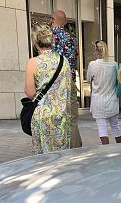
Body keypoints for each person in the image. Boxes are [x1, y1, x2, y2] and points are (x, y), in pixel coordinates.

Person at [25, 24, 73, 154]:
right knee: (61, 156)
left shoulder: (33, 63)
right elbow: (69, 89)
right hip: (62, 115)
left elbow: (30, 93)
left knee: (43, 159)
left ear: (35, 41)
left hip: (43, 116)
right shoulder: (64, 61)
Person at [50, 9, 82, 148]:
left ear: (52, 20)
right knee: (72, 118)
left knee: (55, 118)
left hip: (54, 85)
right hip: (70, 83)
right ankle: (75, 147)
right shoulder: (72, 39)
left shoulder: (49, 37)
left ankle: (58, 147)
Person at [87, 41, 121, 145]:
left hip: (98, 100)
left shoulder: (93, 65)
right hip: (112, 99)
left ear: (96, 51)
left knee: (102, 127)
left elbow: (89, 79)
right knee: (115, 126)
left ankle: (106, 150)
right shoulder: (114, 64)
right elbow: (118, 81)